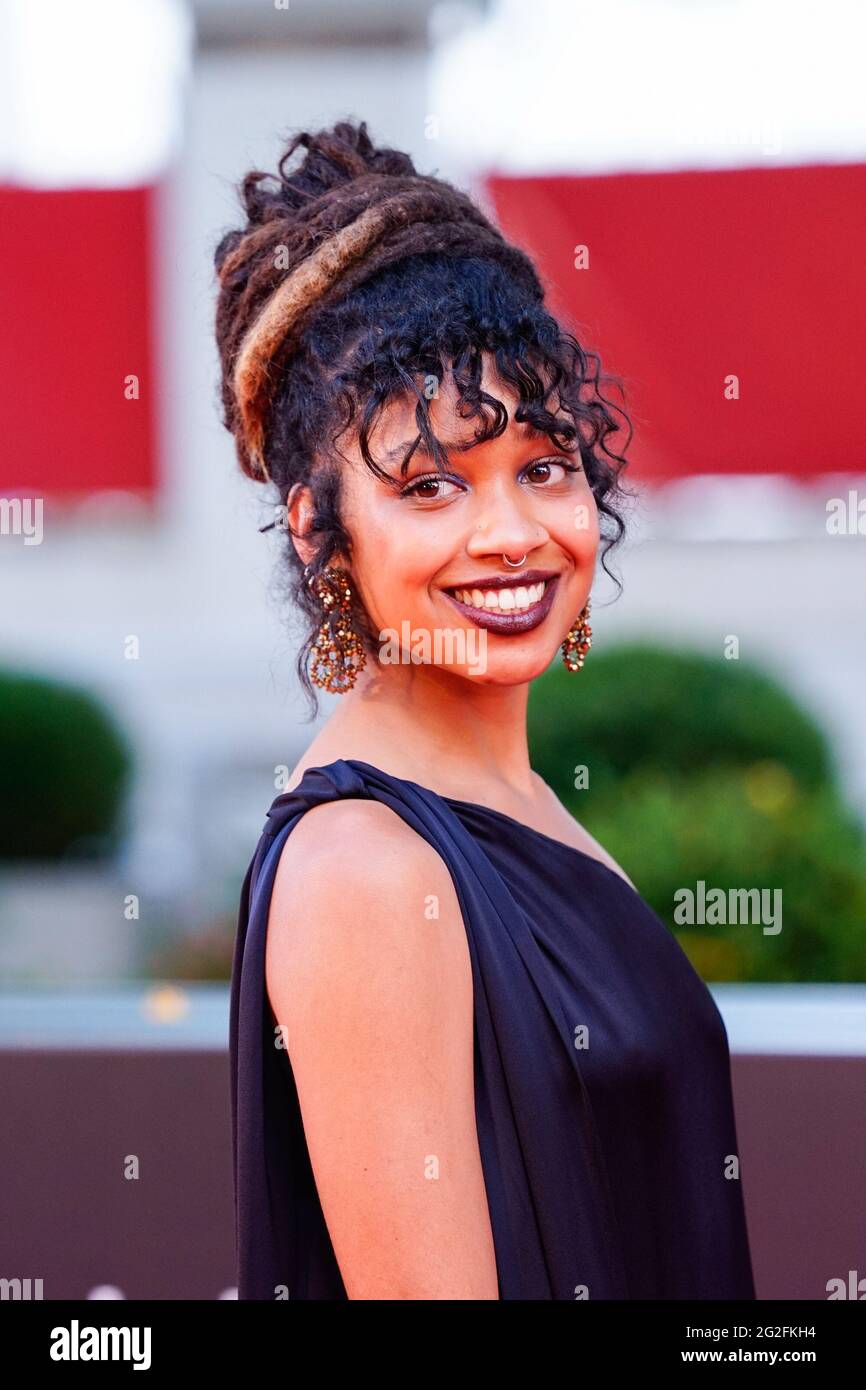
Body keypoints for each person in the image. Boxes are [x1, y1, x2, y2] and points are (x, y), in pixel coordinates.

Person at [218, 119, 757, 1301]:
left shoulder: (514, 802)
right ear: (317, 529)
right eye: (429, 484)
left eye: (543, 464)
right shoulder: (364, 866)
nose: (510, 532)